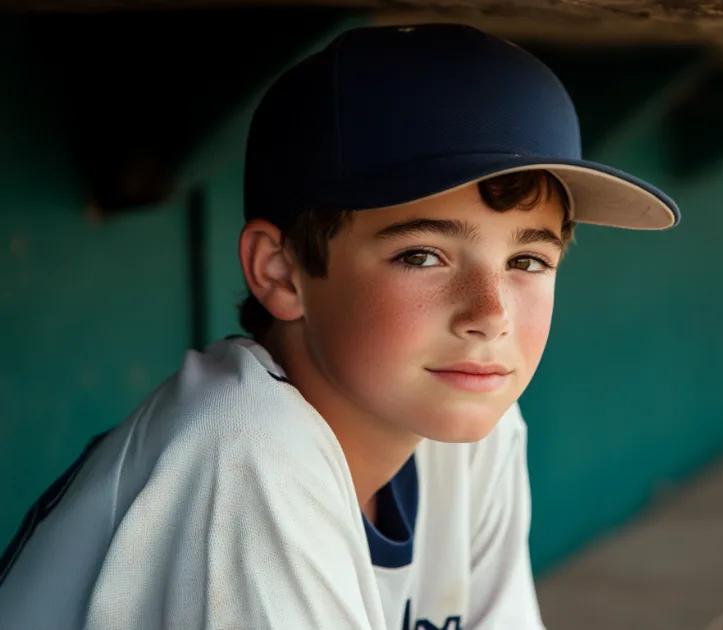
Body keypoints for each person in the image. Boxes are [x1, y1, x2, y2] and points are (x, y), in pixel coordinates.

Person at [0, 23, 678, 630]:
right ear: (282, 272)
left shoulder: (472, 420)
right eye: (422, 255)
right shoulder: (246, 452)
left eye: (528, 260)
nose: (489, 317)